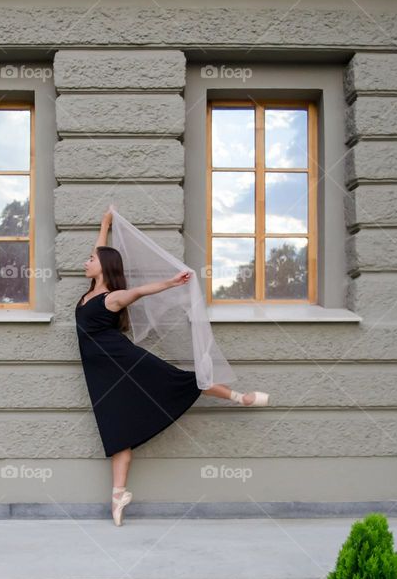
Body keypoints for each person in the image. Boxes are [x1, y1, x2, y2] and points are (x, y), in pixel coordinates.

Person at [75, 209, 270, 526]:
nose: (85, 262)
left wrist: (169, 282)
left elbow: (138, 292)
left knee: (179, 381)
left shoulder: (112, 298)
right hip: (102, 375)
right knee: (116, 433)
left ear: (103, 268)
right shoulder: (89, 293)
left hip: (124, 361)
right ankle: (118, 495)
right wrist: (105, 226)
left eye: (90, 260)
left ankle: (239, 397)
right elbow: (100, 251)